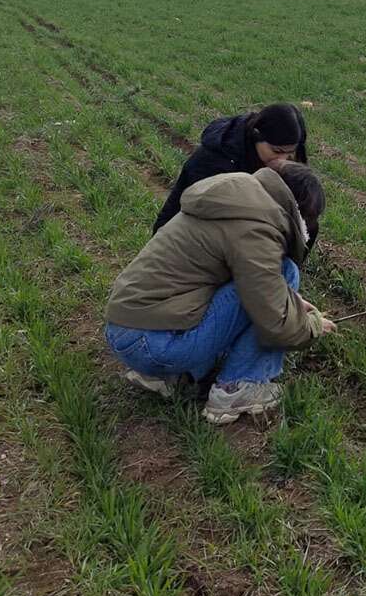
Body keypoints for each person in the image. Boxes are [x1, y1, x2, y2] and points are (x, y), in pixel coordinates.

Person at [106, 162, 337, 424]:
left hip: (127, 329)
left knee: (265, 286)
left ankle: (172, 375)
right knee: (286, 272)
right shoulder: (258, 228)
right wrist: (311, 326)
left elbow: (243, 276)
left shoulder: (238, 198)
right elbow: (274, 320)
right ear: (301, 214)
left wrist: (292, 301)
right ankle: (238, 387)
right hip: (155, 343)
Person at [152, 103, 310, 236]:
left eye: (289, 154)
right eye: (277, 151)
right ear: (256, 136)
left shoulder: (274, 162)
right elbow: (208, 217)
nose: (282, 160)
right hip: (188, 234)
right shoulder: (217, 160)